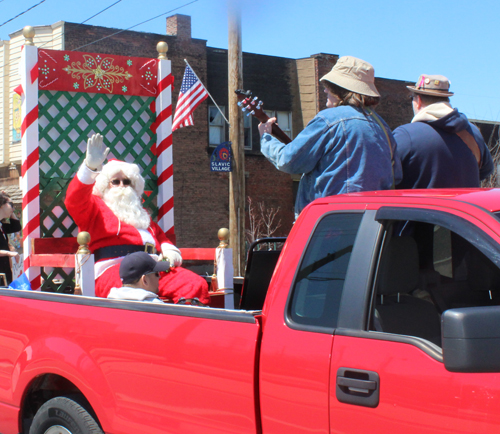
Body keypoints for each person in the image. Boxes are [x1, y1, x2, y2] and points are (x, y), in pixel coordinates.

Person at [65, 133, 210, 304]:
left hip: (152, 268)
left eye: (126, 182)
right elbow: (74, 201)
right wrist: (89, 168)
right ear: (105, 185)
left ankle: (188, 324)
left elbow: (164, 241)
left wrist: (170, 254)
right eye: (115, 181)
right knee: (134, 293)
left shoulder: (141, 215)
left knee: (195, 284)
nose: (121, 186)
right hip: (114, 271)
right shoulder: (95, 207)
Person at [258, 56, 401, 218]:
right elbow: (396, 177)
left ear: (340, 90)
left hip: (330, 223)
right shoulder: (383, 127)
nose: (325, 90)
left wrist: (266, 138)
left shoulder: (329, 120)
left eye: (329, 86)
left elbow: (288, 160)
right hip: (372, 226)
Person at [393, 74, 494, 189]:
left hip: (420, 207)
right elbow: (486, 171)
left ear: (418, 100)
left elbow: (384, 177)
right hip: (464, 206)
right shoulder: (473, 133)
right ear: (447, 99)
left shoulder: (405, 136)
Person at [0, 193, 20, 285]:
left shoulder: (1, 225)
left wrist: (11, 212)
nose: (14, 208)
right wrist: (9, 253)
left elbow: (16, 226)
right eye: (11, 205)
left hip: (4, 270)